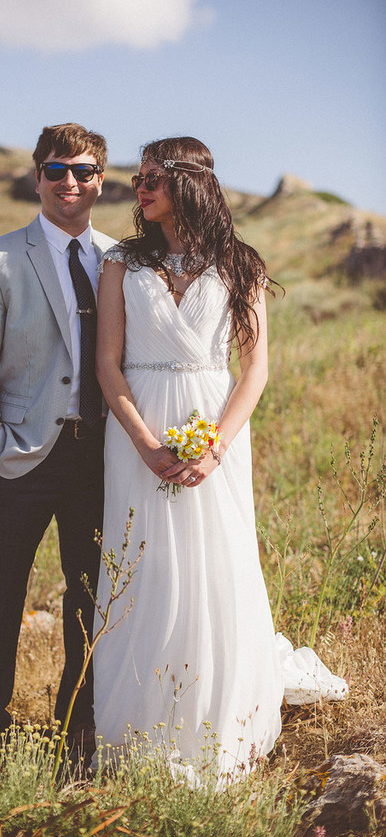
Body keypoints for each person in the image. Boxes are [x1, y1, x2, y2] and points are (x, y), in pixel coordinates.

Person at [92, 136, 284, 781]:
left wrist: (216, 448)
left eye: (152, 178)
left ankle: (216, 716)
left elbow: (254, 368)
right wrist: (145, 443)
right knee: (144, 566)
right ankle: (137, 730)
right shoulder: (121, 263)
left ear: (188, 182)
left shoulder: (239, 264)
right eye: (138, 178)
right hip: (137, 425)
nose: (139, 189)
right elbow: (107, 365)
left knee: (215, 562)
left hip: (214, 422)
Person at [0, 123, 115, 750]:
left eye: (81, 170)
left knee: (88, 596)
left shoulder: (119, 261)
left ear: (100, 179)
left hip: (99, 456)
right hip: (21, 454)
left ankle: (78, 725)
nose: (68, 182)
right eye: (55, 170)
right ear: (36, 175)